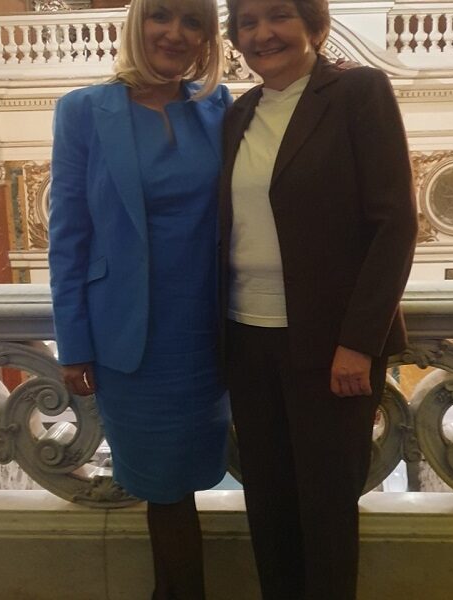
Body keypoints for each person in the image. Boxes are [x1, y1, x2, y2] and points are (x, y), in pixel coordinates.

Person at [220, 1, 418, 599]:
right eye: (247, 22)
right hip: (246, 337)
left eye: (278, 15)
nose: (263, 33)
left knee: (327, 511)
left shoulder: (358, 92)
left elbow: (394, 225)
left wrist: (358, 342)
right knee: (269, 506)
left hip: (333, 348)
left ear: (313, 23)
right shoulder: (238, 113)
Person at [48, 1, 232, 598]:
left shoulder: (219, 106)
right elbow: (68, 237)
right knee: (163, 489)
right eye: (162, 17)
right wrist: (74, 344)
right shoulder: (83, 111)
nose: (174, 33)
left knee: (193, 479)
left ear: (207, 38)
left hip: (210, 336)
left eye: (192, 22)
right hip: (131, 342)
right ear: (137, 24)